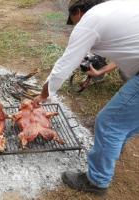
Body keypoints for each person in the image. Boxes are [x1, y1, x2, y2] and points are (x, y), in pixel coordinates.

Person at [35, 0, 139, 195]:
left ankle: (97, 180)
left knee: (109, 123)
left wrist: (43, 95)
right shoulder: (118, 10)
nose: (75, 26)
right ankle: (112, 150)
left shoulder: (90, 20)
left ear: (79, 12)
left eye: (73, 21)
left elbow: (64, 66)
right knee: (124, 122)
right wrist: (101, 72)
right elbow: (129, 47)